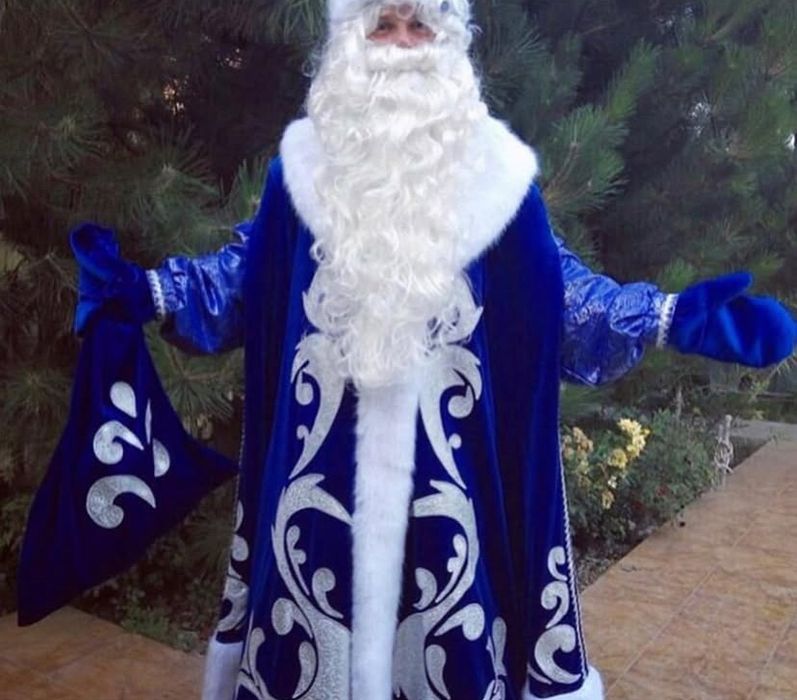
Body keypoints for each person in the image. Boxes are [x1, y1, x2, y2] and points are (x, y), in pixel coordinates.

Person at [72, 1, 797, 698]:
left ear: (449, 42)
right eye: (380, 24)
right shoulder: (298, 174)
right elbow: (240, 278)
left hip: (452, 488)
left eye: (418, 25)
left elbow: (564, 297)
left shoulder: (501, 182)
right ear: (347, 41)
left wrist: (667, 317)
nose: (399, 43)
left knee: (449, 644)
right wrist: (150, 291)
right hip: (316, 485)